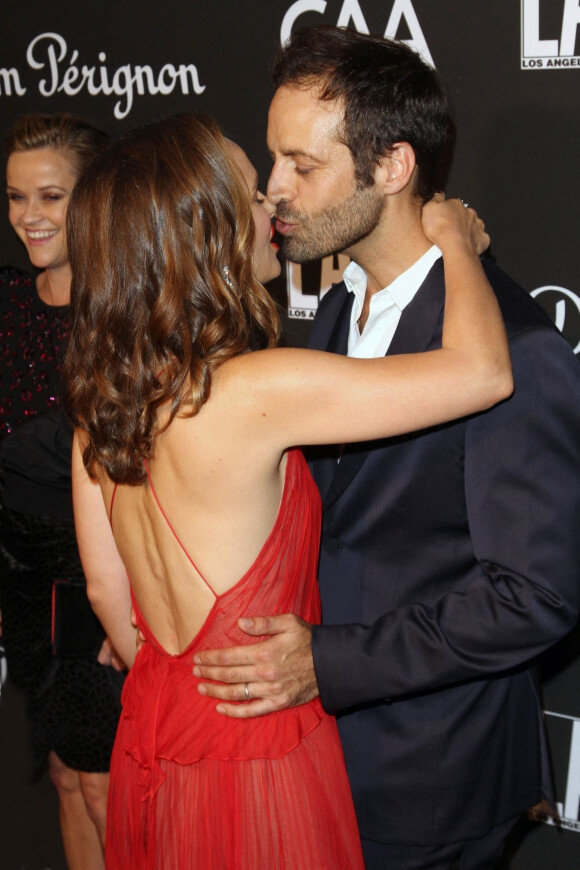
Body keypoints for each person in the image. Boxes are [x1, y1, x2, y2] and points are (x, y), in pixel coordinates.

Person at [66, 111, 511, 869]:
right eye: (248, 192)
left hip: (156, 739)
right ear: (204, 232)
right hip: (257, 750)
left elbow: (112, 600)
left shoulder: (102, 410)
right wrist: (457, 245)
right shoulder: (251, 391)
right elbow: (483, 372)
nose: (271, 206)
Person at [191, 26, 580, 870]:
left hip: (429, 774)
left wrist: (326, 663)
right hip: (322, 756)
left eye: (303, 164)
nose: (275, 191)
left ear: (393, 167)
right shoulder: (334, 313)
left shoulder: (516, 349)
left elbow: (533, 595)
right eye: (273, 161)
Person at [0, 113, 124, 870]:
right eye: (15, 198)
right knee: (64, 775)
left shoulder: (125, 312)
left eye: (51, 196)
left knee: (107, 784)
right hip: (25, 583)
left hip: (100, 582)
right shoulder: (10, 303)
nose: (29, 217)